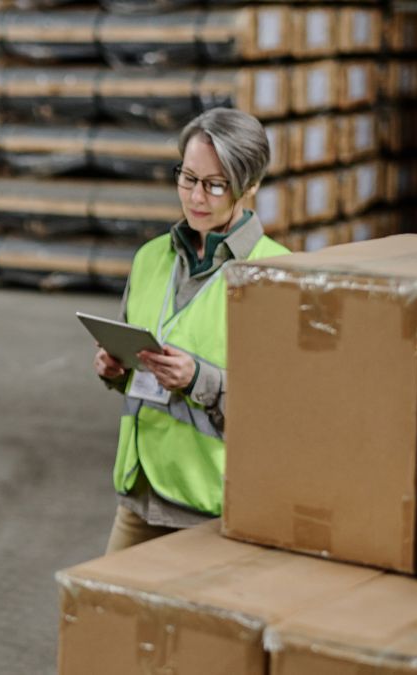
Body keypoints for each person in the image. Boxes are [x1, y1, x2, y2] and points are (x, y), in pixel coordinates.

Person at [93, 108, 289, 554]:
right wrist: (115, 370)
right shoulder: (150, 258)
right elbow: (136, 372)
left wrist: (201, 379)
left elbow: (284, 409)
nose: (196, 197)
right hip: (140, 492)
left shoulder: (276, 274)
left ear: (251, 185)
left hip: (216, 507)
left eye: (215, 184)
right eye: (187, 178)